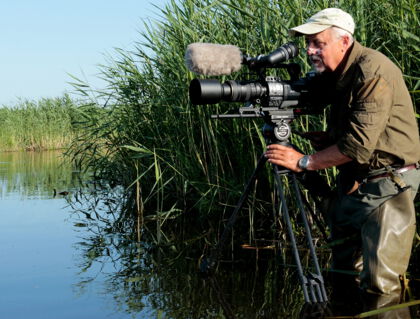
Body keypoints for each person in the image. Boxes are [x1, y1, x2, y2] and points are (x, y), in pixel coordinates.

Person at [265, 8, 420, 297]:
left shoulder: (372, 70)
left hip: (388, 185)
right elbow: (355, 134)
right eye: (308, 44)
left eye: (318, 43)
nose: (310, 51)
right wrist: (330, 140)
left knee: (380, 286)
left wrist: (303, 162)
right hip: (356, 182)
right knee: (343, 274)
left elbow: (358, 145)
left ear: (344, 42)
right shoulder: (336, 73)